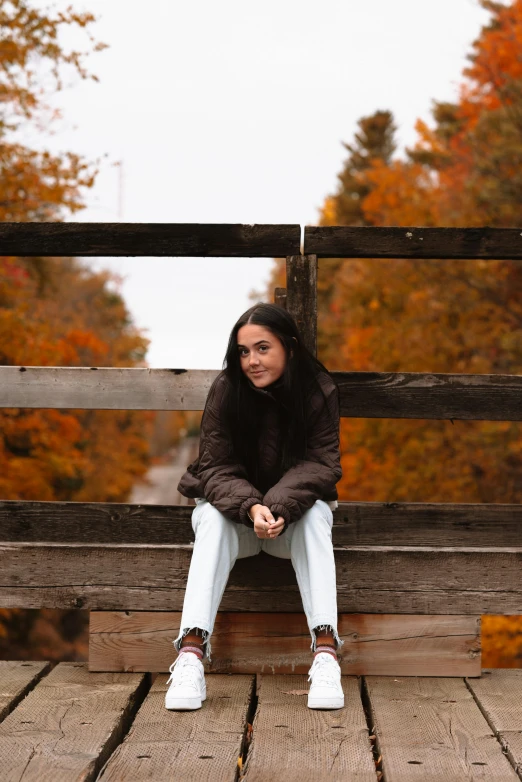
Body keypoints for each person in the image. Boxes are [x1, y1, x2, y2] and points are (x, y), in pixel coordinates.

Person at [165, 302, 344, 711]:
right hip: (236, 524)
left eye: (262, 348)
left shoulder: (319, 391)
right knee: (208, 514)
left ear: (290, 347)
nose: (251, 360)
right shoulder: (227, 390)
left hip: (290, 524)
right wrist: (250, 508)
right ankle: (190, 655)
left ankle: (326, 654)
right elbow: (214, 466)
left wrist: (278, 507)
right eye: (244, 351)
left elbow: (322, 462)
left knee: (318, 513)